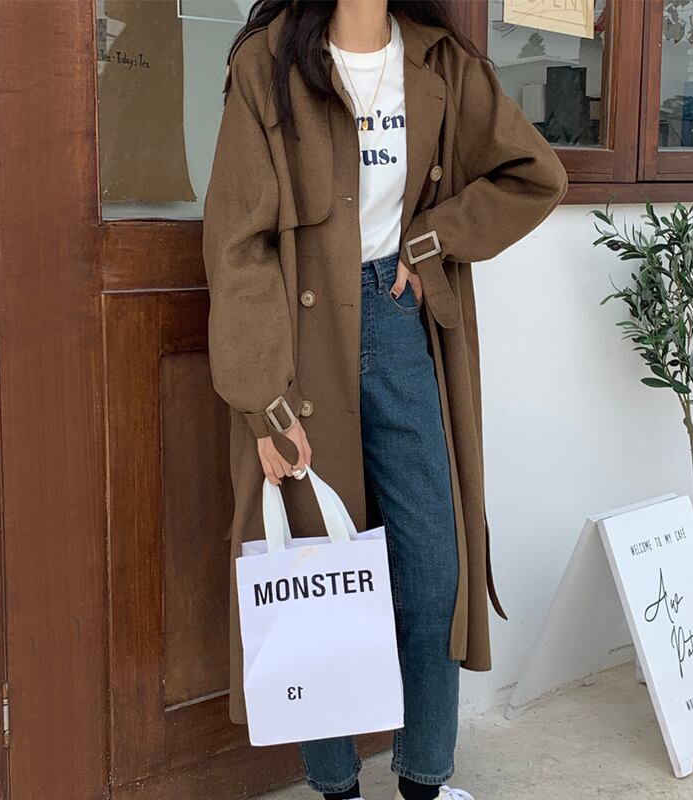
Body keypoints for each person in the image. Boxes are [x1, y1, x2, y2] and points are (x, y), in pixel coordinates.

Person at [202, 2, 568, 799]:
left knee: (435, 569)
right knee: (316, 569)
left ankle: (424, 780)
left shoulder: (443, 64)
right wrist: (263, 400)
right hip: (298, 346)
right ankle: (336, 786)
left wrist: (432, 239)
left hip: (401, 325)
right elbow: (238, 245)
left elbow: (534, 175)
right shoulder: (268, 62)